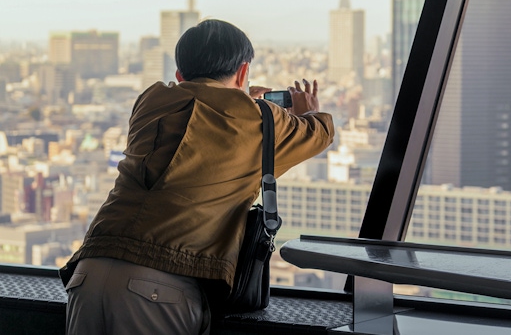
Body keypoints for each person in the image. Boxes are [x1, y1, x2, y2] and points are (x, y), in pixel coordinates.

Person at [59, 19, 334, 334]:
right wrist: (306, 111)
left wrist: (250, 104)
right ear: (244, 72)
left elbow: (200, 118)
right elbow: (320, 132)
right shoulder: (260, 120)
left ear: (179, 75)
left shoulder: (150, 101)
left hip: (88, 274)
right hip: (161, 286)